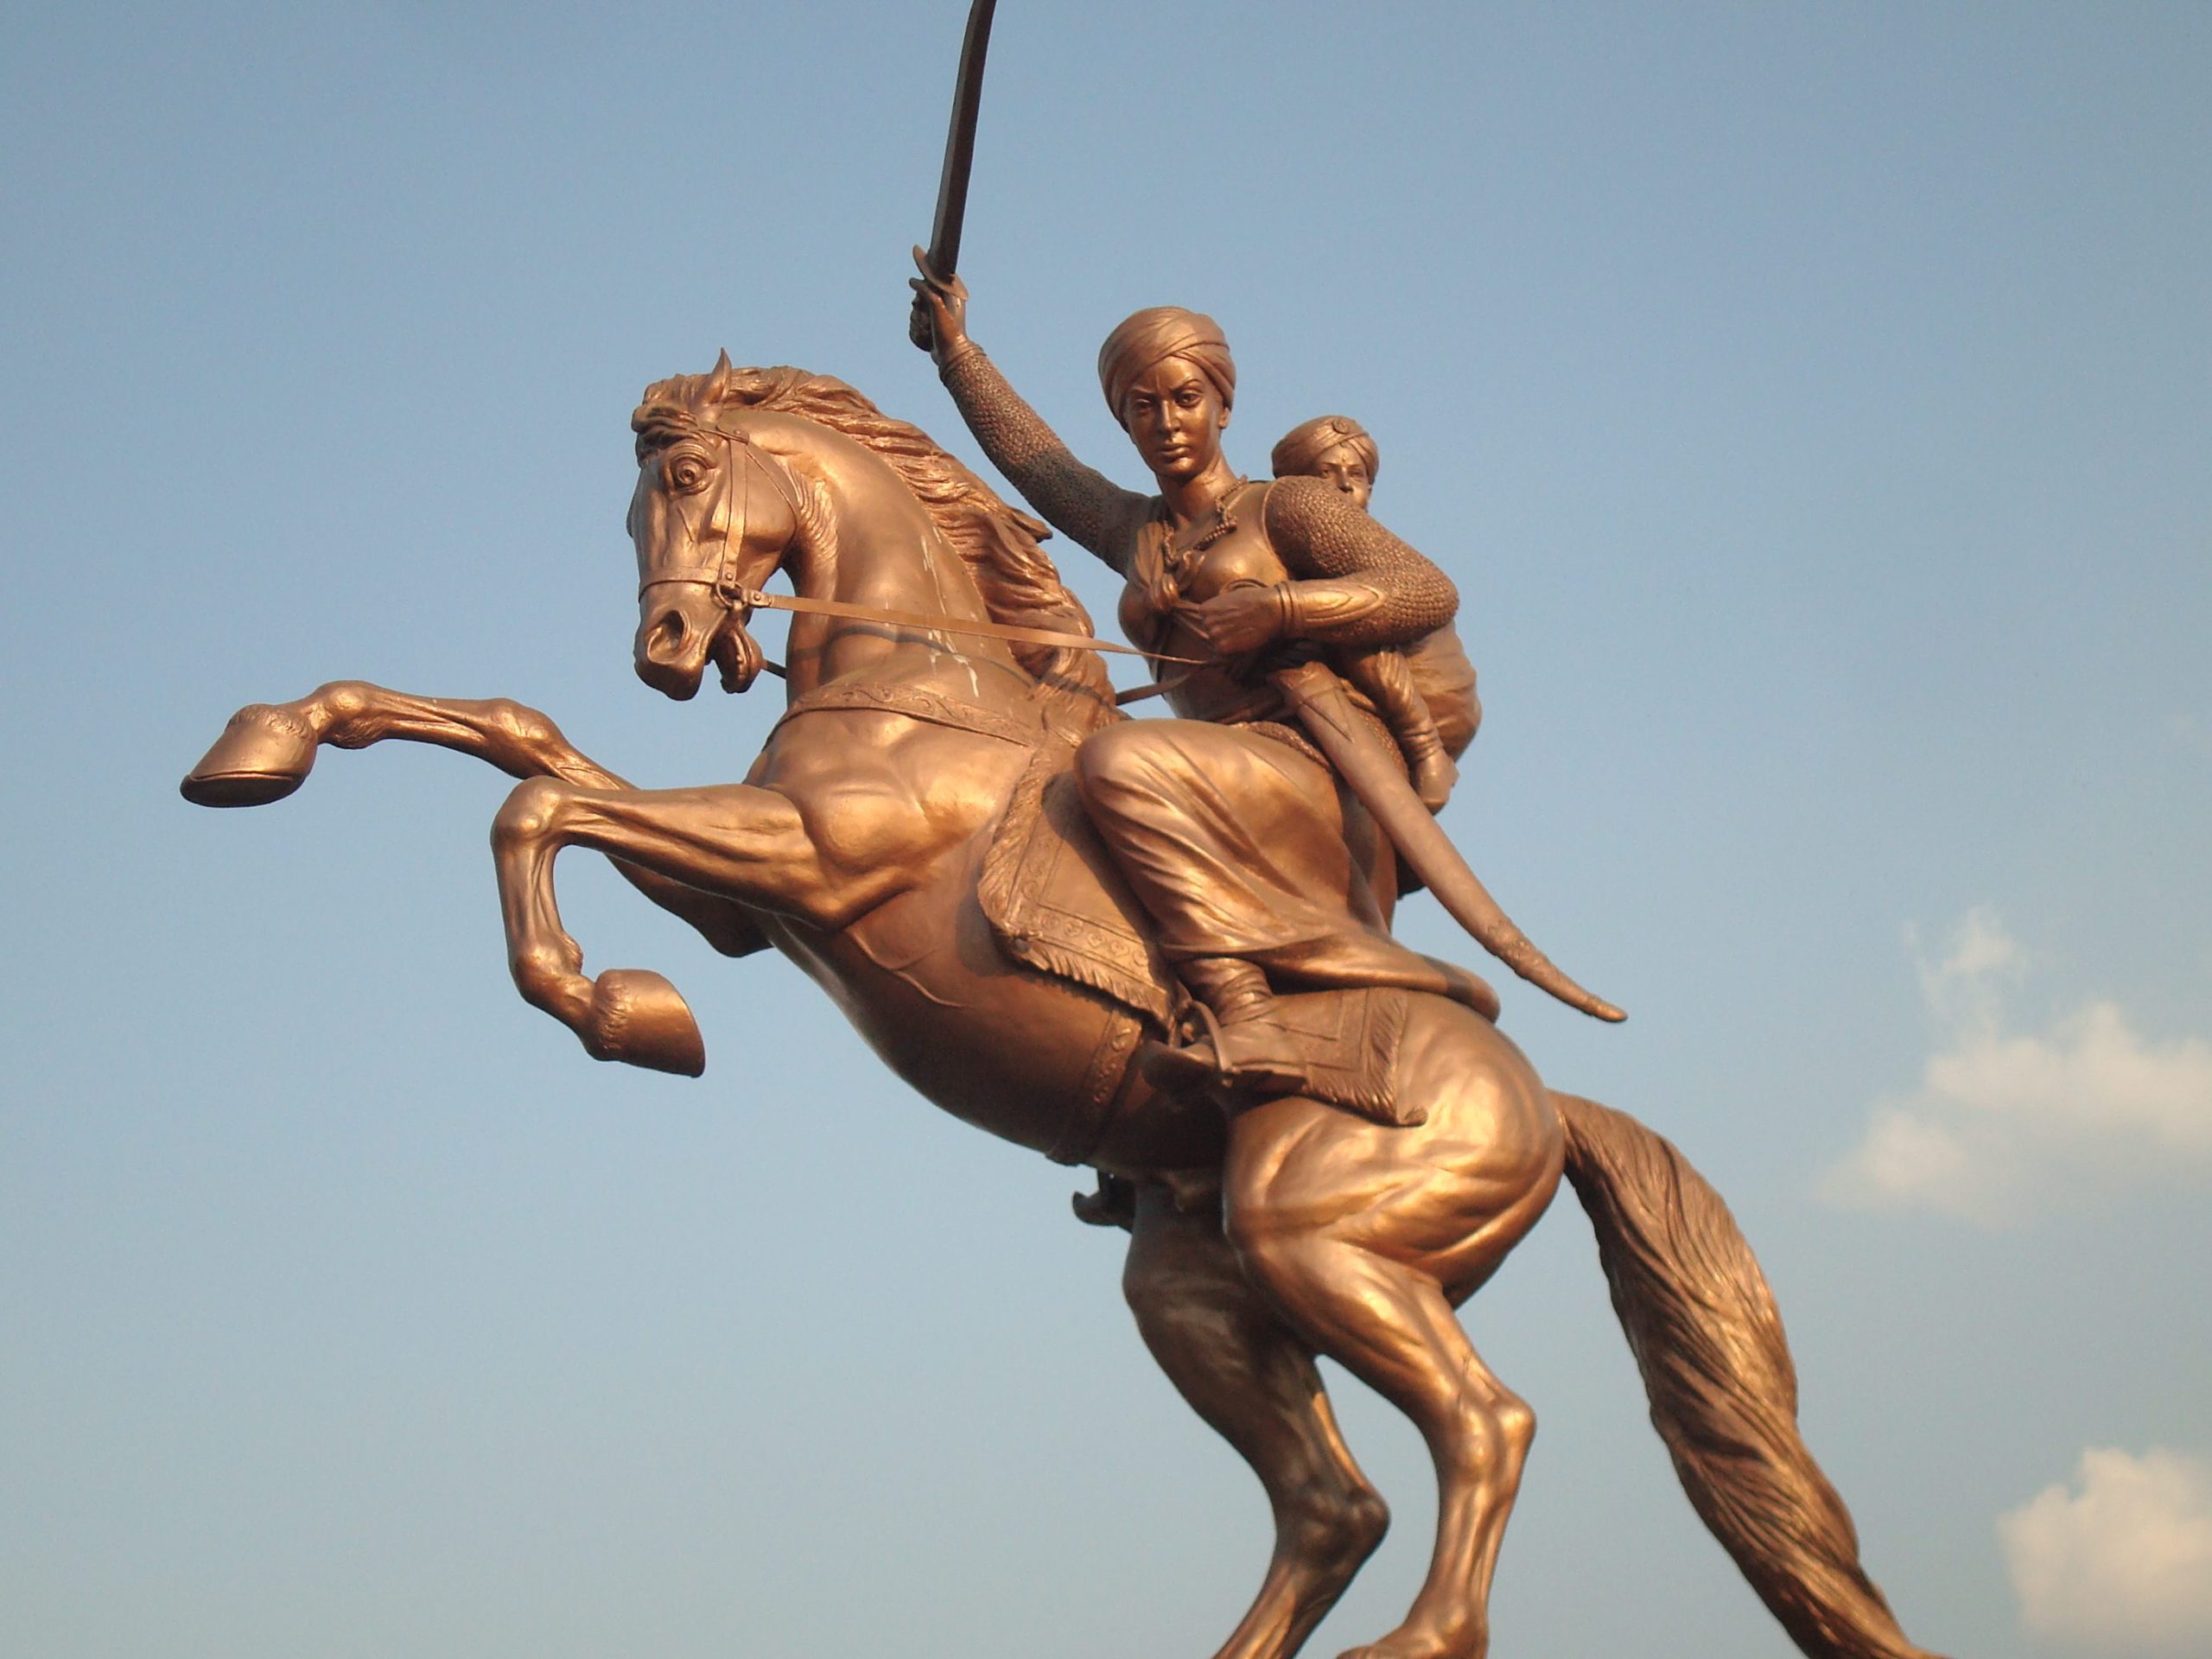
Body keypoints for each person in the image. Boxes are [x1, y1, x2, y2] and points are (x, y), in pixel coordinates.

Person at [909, 265, 1484, 1093]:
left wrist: (1280, 610)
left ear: (1223, 404)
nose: (1167, 424)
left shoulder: (1284, 508)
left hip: (1310, 755)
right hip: (1223, 766)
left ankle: (1246, 1012)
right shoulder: (1131, 527)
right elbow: (1040, 464)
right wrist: (957, 354)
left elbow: (1427, 590)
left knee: (1116, 765)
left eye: (1184, 399)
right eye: (1142, 408)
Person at [1268, 416, 1480, 812]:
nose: (1345, 485)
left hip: (1438, 708)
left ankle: (1425, 751)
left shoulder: (1363, 557)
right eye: (1326, 474)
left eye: (1357, 475)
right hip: (1379, 703)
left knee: (1342, 614)